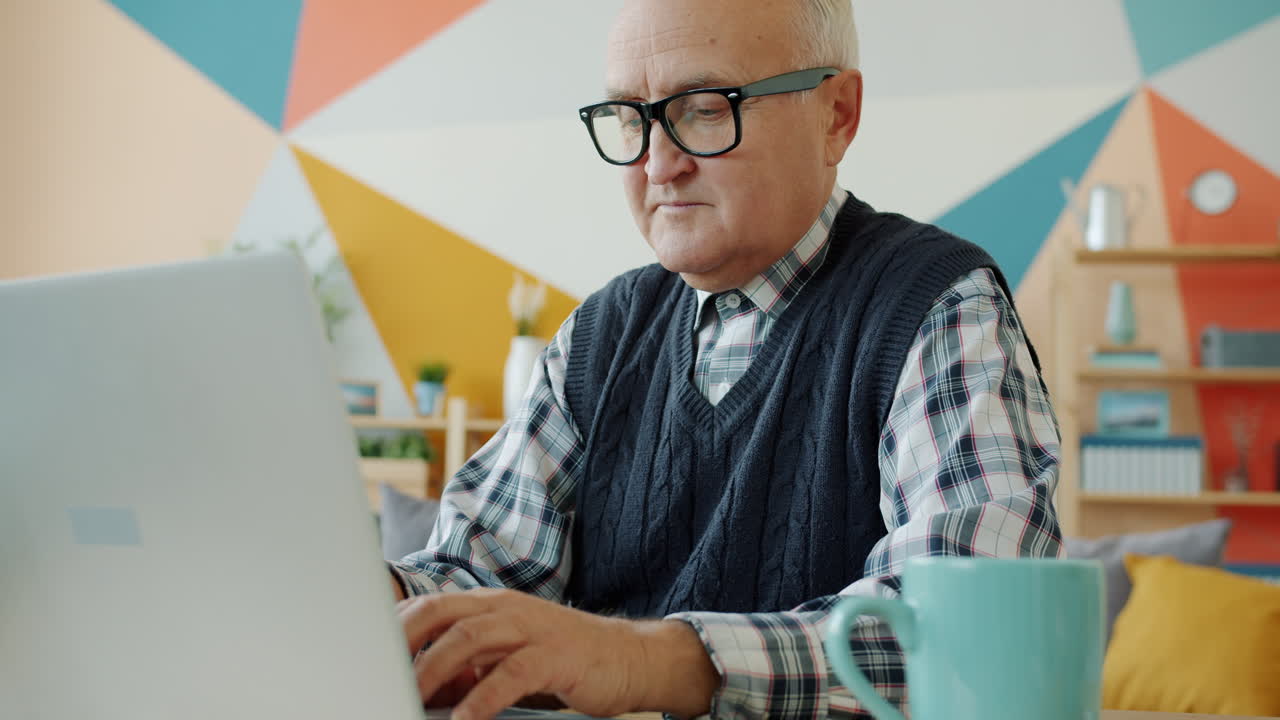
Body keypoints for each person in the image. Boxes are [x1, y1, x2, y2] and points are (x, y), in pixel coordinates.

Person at [388, 1, 1062, 718]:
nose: (657, 163)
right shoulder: (599, 335)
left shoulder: (936, 306)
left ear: (837, 115)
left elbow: (967, 629)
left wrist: (643, 661)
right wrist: (370, 597)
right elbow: (472, 575)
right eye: (630, 117)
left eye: (705, 109)